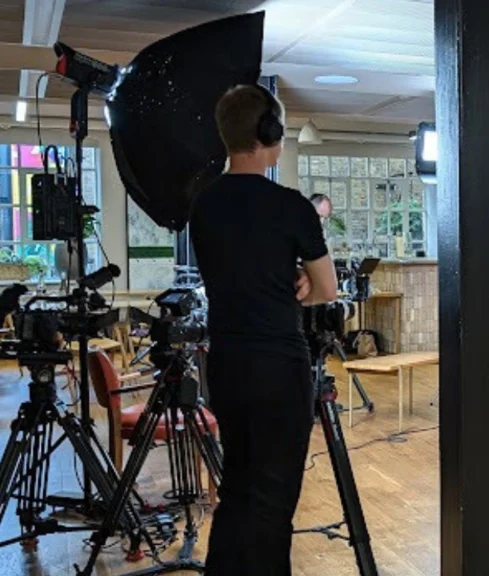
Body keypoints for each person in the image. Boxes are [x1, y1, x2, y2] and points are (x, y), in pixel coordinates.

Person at [189, 84, 338, 575]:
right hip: (279, 366)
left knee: (237, 486)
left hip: (227, 364)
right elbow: (327, 290)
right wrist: (297, 281)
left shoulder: (204, 205)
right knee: (273, 501)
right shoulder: (292, 206)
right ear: (270, 133)